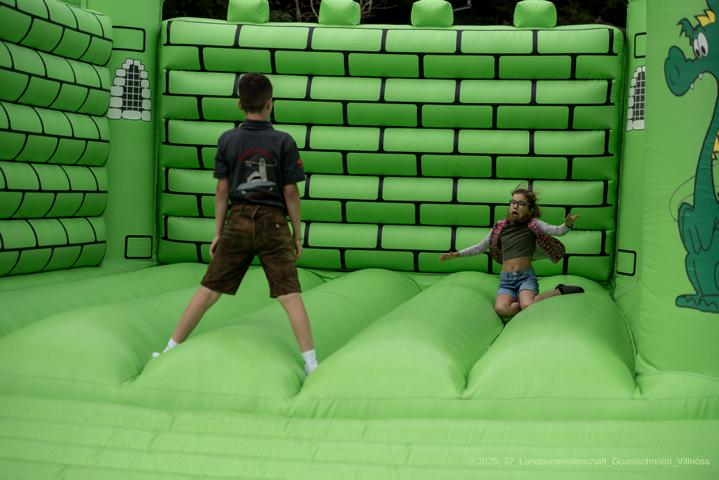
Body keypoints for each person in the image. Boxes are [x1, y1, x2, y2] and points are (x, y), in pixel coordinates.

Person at [152, 73, 318, 374]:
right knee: (290, 295)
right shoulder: (284, 141)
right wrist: (296, 234)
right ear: (270, 103)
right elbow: (291, 192)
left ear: (240, 104)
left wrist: (218, 232)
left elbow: (222, 190)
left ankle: (169, 349)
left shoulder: (228, 140)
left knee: (208, 290)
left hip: (238, 218)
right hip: (273, 223)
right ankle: (311, 363)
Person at [440, 188, 584, 319]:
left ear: (530, 209)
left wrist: (567, 224)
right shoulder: (500, 227)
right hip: (506, 280)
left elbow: (557, 231)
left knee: (528, 305)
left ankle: (558, 291)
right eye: (513, 202)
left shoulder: (534, 224)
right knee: (501, 309)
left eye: (521, 204)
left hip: (525, 277)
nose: (515, 206)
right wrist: (457, 254)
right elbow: (480, 247)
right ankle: (522, 300)